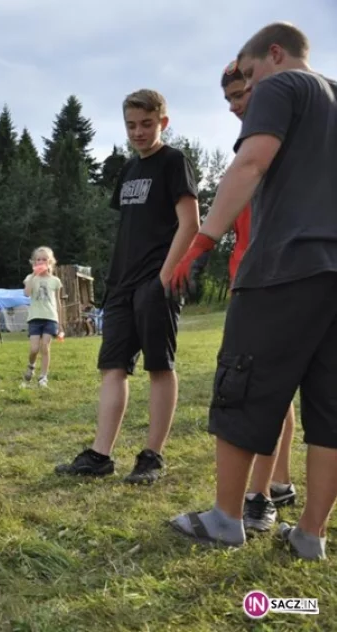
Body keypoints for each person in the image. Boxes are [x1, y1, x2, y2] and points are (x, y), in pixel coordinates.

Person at [168, 22, 337, 560]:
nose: (247, 86)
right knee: (330, 409)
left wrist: (202, 241)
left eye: (248, 73)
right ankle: (310, 534)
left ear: (275, 53)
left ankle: (225, 517)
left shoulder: (283, 85)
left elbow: (252, 161)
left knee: (241, 383)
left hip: (285, 266)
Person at [56, 89, 200, 484]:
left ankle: (152, 457)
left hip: (156, 280)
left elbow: (191, 223)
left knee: (159, 366)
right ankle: (100, 456)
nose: (138, 132)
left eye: (147, 124)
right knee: (113, 366)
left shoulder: (174, 162)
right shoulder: (129, 170)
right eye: (131, 125)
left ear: (163, 123)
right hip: (120, 283)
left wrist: (164, 277)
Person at [191, 60, 298, 533]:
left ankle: (260, 495)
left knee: (266, 390)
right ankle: (278, 482)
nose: (236, 106)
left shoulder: (283, 150)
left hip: (281, 282)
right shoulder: (244, 157)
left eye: (242, 95)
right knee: (266, 388)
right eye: (230, 99)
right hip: (246, 285)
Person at [22, 246, 63, 388]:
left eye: (44, 259)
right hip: (34, 317)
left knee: (45, 347)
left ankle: (43, 377)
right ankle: (31, 366)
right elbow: (26, 293)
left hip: (50, 317)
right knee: (34, 349)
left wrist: (60, 323)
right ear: (34, 262)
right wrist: (34, 275)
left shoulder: (55, 281)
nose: (41, 262)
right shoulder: (30, 278)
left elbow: (58, 302)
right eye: (38, 259)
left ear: (50, 262)